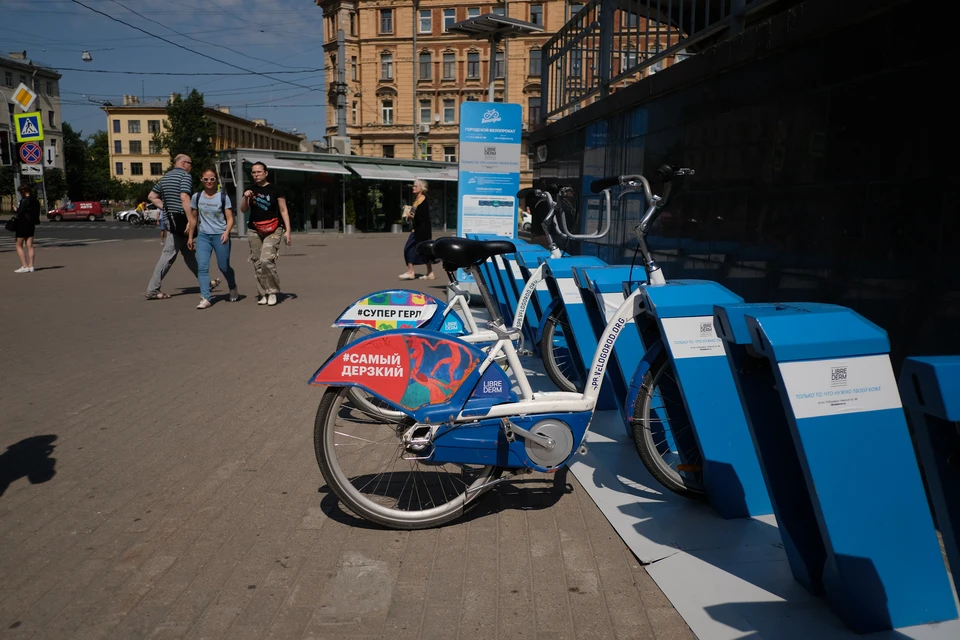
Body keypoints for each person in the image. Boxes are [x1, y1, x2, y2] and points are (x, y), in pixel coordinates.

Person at [143, 154, 219, 299]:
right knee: (168, 255)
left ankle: (206, 283)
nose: (191, 167)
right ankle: (152, 289)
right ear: (184, 163)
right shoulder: (185, 176)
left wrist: (166, 207)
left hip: (172, 218)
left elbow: (152, 196)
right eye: (190, 163)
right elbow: (185, 198)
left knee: (189, 254)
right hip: (181, 219)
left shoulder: (165, 177)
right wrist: (190, 220)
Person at [240, 162, 291, 306]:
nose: (256, 175)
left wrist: (288, 231)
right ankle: (263, 293)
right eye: (253, 173)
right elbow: (243, 210)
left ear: (266, 173)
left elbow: (283, 210)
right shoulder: (250, 189)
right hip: (254, 229)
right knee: (257, 263)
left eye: (259, 172)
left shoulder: (276, 189)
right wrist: (245, 197)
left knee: (266, 260)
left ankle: (273, 291)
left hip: (274, 228)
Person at [189, 169, 239, 309]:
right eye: (206, 179)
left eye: (212, 179)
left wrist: (226, 232)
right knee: (202, 267)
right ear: (201, 180)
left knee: (223, 266)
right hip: (204, 236)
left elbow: (230, 219)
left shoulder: (223, 198)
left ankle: (232, 286)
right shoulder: (197, 197)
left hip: (220, 235)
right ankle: (206, 297)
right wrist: (191, 236)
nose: (209, 182)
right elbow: (193, 218)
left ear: (216, 180)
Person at [399, 179, 433, 280]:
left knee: (408, 248)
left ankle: (411, 272)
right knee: (425, 250)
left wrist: (411, 216)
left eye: (415, 186)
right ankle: (430, 273)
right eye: (413, 186)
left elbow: (421, 216)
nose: (413, 188)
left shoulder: (423, 199)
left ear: (421, 188)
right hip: (420, 229)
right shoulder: (418, 199)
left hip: (421, 230)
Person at [12, 184, 40, 273]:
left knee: (18, 245)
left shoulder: (24, 200)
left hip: (22, 224)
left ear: (23, 192)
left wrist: (16, 209)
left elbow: (20, 213)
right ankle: (31, 266)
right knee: (30, 246)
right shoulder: (35, 200)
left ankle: (25, 266)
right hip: (31, 224)